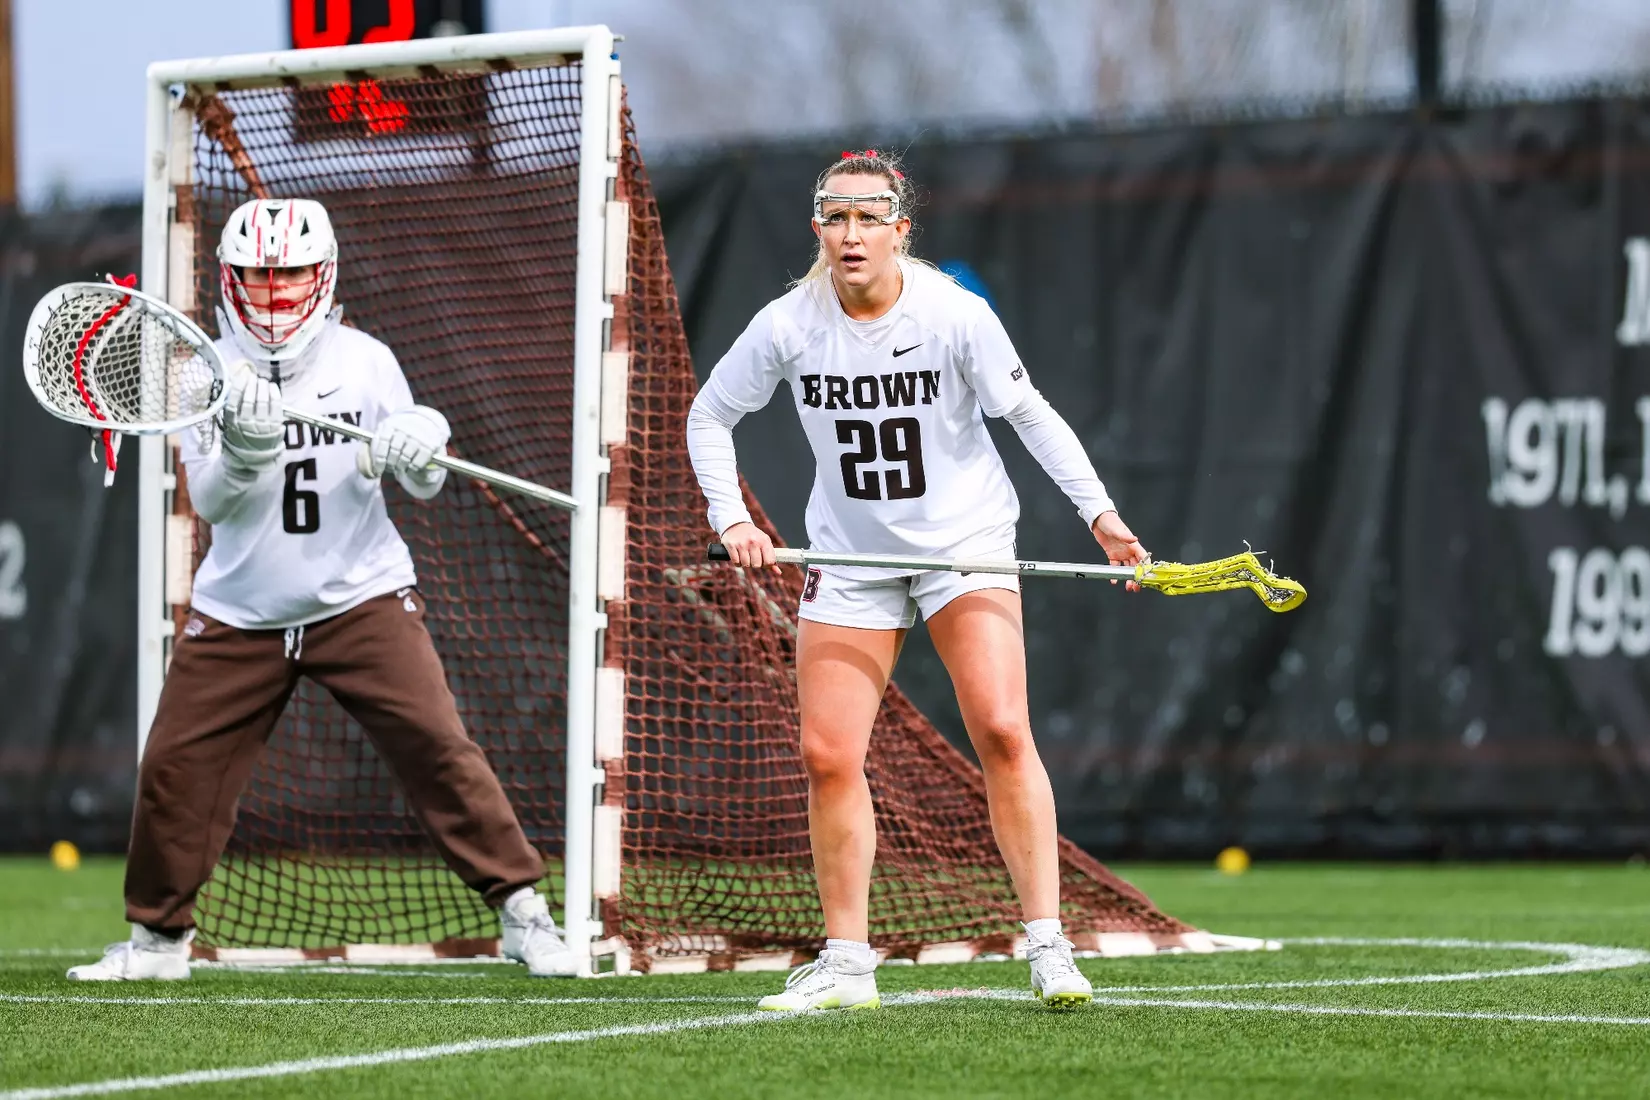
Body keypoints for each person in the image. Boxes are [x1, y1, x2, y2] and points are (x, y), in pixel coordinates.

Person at [686, 149, 1149, 1010]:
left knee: (1004, 729)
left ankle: (1049, 948)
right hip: (853, 558)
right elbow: (709, 413)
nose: (851, 234)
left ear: (901, 229)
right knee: (827, 755)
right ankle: (848, 963)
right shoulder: (789, 324)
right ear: (817, 228)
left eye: (869, 217)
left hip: (962, 541)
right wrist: (734, 522)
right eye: (835, 216)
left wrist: (1102, 515)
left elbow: (1030, 415)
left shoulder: (955, 316)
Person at [68, 198, 575, 981]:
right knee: (175, 769)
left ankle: (522, 914)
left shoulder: (365, 360)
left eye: (291, 273)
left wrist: (422, 442)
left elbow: (421, 479)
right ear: (228, 278)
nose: (274, 293)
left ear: (324, 273)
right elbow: (212, 503)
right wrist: (245, 448)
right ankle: (159, 943)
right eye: (256, 275)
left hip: (360, 596)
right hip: (240, 608)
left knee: (439, 750)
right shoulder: (197, 371)